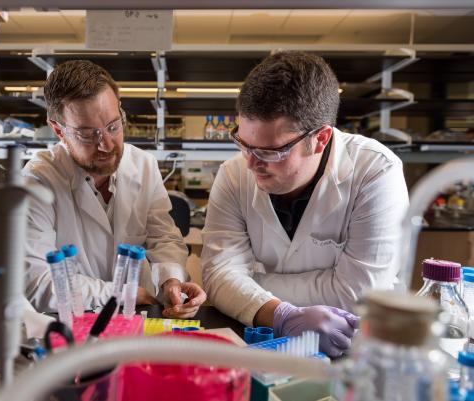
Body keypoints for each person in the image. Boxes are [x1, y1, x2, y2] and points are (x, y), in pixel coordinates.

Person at [201, 51, 409, 356]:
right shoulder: (233, 174)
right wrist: (281, 316)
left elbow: (358, 295)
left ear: (321, 138)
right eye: (244, 144)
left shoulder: (376, 171)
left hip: (356, 347)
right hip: (264, 340)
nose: (251, 163)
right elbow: (218, 276)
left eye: (271, 151)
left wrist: (250, 285)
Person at [23, 60, 206, 318]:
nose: (106, 145)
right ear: (58, 130)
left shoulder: (144, 165)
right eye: (87, 134)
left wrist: (171, 282)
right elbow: (35, 281)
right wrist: (117, 293)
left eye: (113, 126)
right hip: (70, 325)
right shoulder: (37, 182)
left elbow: (163, 238)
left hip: (136, 320)